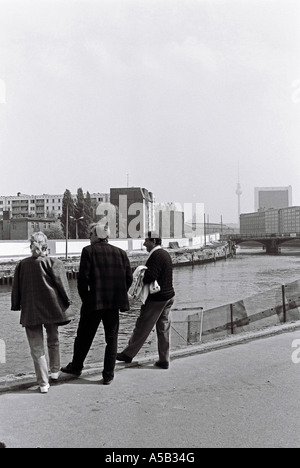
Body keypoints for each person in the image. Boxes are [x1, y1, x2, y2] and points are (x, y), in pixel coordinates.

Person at [61, 223, 133, 385]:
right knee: (111, 339)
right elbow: (128, 279)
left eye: (90, 233)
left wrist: (86, 300)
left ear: (96, 235)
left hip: (93, 303)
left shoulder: (88, 251)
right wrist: (118, 295)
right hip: (113, 305)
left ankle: (77, 366)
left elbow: (82, 281)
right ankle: (108, 375)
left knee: (84, 337)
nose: (88, 236)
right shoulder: (121, 253)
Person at [11, 232, 73, 393]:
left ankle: (43, 383)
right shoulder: (54, 262)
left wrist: (16, 305)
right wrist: (68, 301)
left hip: (30, 310)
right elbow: (62, 286)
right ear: (46, 245)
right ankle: (54, 371)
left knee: (36, 348)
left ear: (31, 245)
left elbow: (16, 288)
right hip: (51, 308)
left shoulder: (22, 265)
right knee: (53, 339)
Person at [117, 231, 175, 369]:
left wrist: (141, 271)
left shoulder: (156, 255)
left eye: (146, 241)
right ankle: (164, 359)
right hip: (169, 296)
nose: (144, 244)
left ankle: (128, 354)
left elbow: (150, 277)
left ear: (153, 241)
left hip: (157, 298)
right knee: (163, 328)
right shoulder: (165, 254)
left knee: (142, 325)